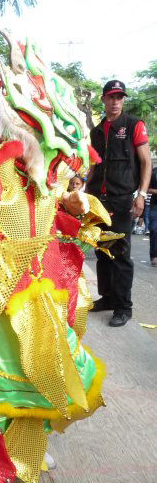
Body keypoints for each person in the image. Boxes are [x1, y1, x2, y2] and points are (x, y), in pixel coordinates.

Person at [87, 80, 152, 326]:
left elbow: (145, 162)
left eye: (119, 97)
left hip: (123, 199)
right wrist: (82, 193)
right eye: (111, 97)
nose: (115, 102)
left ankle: (124, 307)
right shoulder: (96, 131)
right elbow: (93, 166)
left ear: (123, 100)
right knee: (102, 250)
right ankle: (107, 298)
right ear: (103, 100)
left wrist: (141, 195)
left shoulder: (134, 125)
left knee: (120, 253)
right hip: (98, 201)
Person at [148, 166, 157, 266]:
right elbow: (147, 188)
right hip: (155, 205)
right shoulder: (154, 172)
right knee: (154, 230)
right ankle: (154, 256)